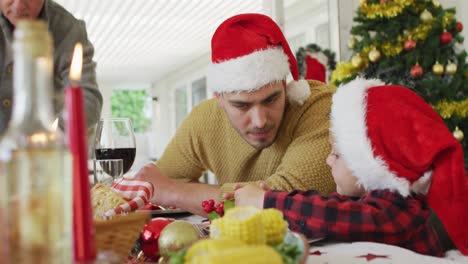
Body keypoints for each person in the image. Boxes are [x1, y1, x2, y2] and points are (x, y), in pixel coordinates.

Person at [107, 13, 335, 216]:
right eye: (242, 106)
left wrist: (174, 192)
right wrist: (168, 189)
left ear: (285, 87)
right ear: (219, 98)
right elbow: (158, 181)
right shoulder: (205, 118)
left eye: (271, 99)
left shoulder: (318, 105)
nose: (260, 121)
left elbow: (287, 200)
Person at [232, 78, 468, 257]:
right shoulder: (367, 199)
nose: (328, 160)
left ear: (369, 162)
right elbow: (329, 206)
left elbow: (336, 216)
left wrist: (268, 202)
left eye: (337, 154)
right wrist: (275, 204)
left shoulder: (400, 209)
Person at [0, 0, 103, 134]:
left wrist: (54, 137)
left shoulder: (68, 30)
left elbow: (88, 100)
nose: (18, 5)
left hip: (38, 150)